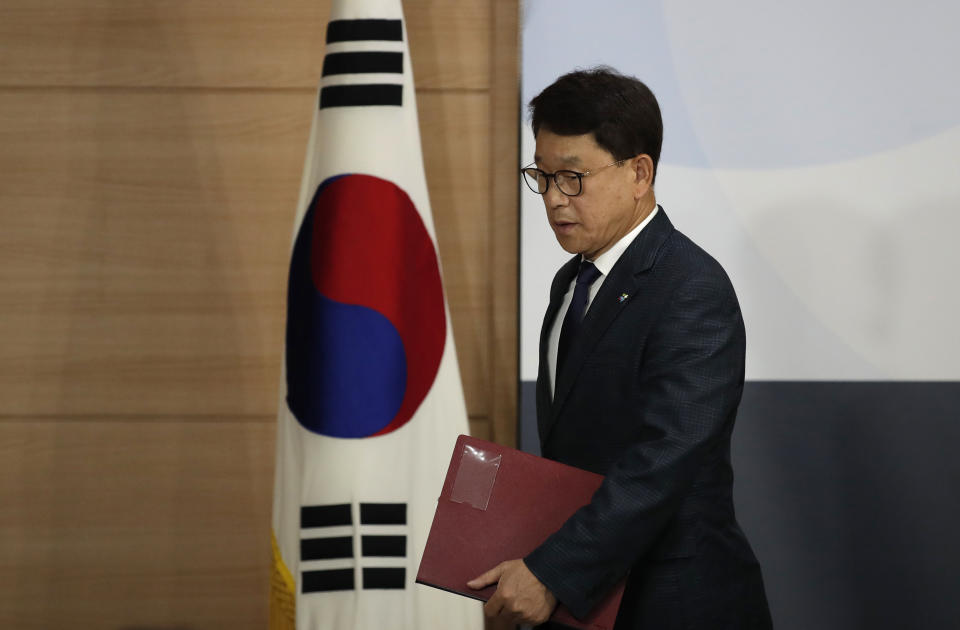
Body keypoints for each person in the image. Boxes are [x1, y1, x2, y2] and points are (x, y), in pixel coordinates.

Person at [467, 67, 773, 629]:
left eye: (573, 177)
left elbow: (662, 462)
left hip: (674, 603)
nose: (554, 199)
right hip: (591, 601)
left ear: (639, 173)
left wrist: (553, 571)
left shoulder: (691, 286)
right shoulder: (570, 282)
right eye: (542, 175)